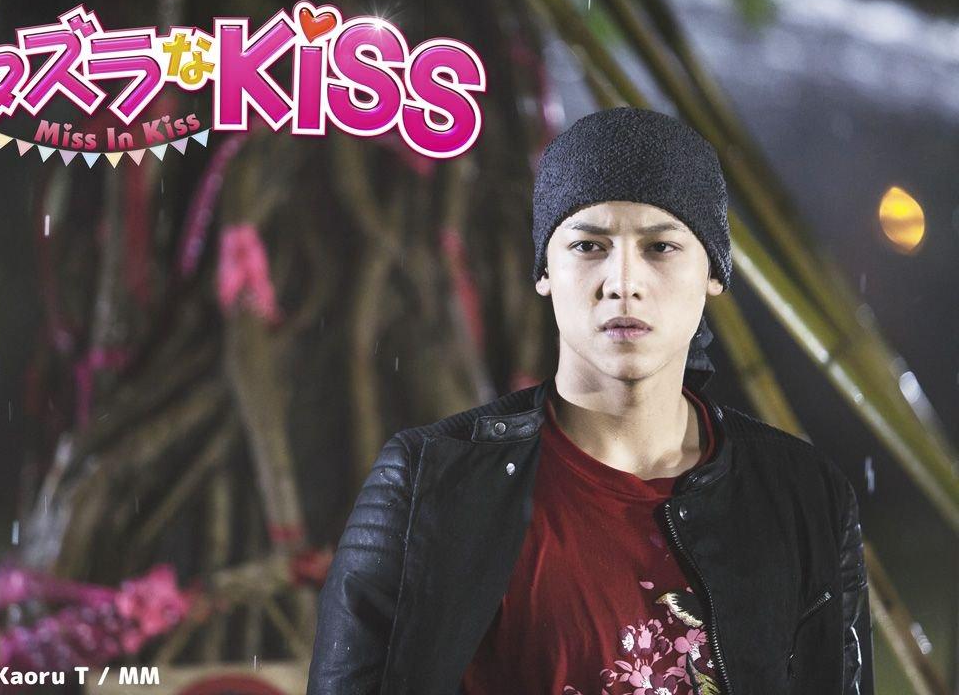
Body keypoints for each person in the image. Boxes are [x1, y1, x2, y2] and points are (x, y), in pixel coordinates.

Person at [306, 107, 874, 695]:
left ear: (714, 272)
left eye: (660, 247)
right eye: (588, 245)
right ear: (545, 271)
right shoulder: (430, 483)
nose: (623, 282)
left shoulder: (804, 497)